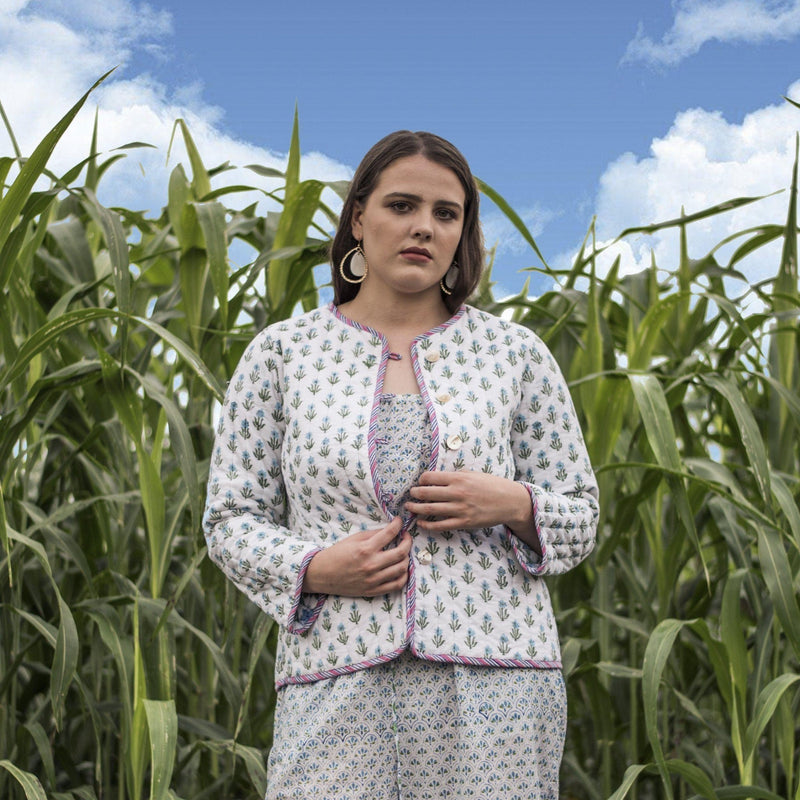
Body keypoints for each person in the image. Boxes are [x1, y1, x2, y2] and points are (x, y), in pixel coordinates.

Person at [203, 130, 599, 799]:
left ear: (463, 232)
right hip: (334, 670)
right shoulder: (282, 354)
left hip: (496, 679)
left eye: (447, 214)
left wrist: (514, 504)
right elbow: (229, 518)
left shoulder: (516, 355)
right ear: (359, 217)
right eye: (402, 206)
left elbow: (582, 517)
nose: (424, 227)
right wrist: (314, 568)